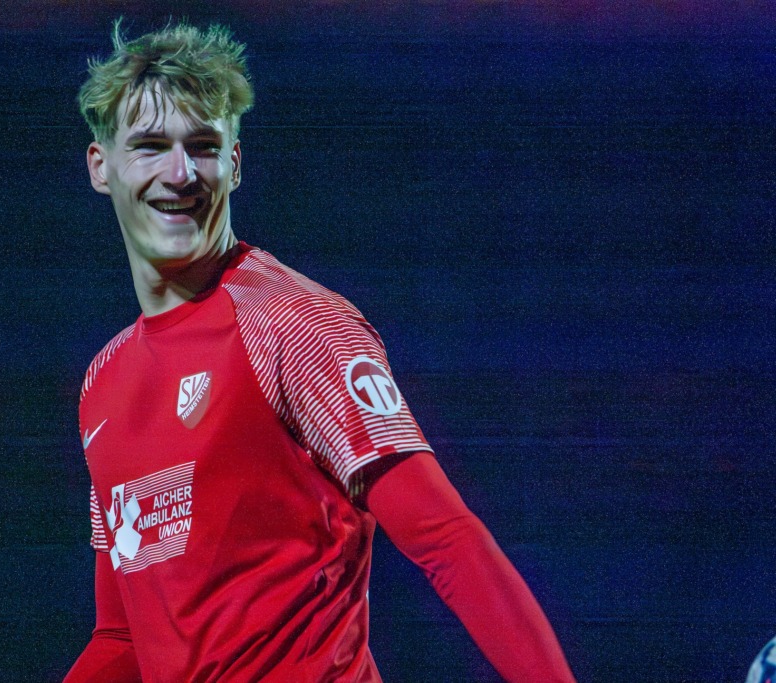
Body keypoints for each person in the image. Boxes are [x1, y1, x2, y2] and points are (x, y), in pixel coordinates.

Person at [65, 21, 576, 683]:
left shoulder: (295, 325)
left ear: (235, 163)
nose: (181, 173)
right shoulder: (102, 383)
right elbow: (122, 637)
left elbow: (445, 538)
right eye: (151, 146)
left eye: (204, 147)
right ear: (100, 167)